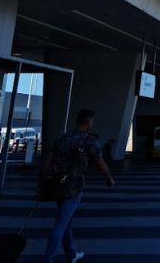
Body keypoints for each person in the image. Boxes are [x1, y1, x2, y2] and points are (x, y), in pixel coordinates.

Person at [39, 109, 115, 263]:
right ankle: (47, 259)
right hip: (73, 186)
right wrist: (109, 178)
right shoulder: (89, 140)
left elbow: (48, 160)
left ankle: (71, 254)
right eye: (92, 121)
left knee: (65, 220)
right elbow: (100, 162)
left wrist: (41, 180)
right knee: (61, 223)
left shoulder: (62, 137)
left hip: (57, 184)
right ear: (88, 122)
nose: (92, 124)